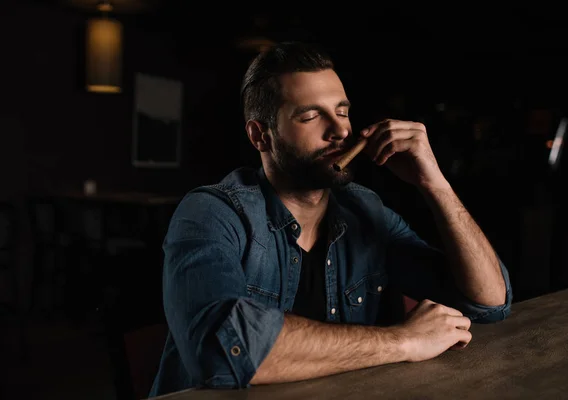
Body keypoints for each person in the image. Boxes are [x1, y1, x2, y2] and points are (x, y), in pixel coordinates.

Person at [149, 41, 512, 397]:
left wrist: (434, 182)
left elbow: (488, 304)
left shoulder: (365, 211)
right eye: (310, 116)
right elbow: (221, 350)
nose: (339, 131)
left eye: (341, 112)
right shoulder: (212, 213)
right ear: (261, 135)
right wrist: (402, 340)